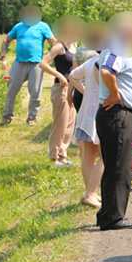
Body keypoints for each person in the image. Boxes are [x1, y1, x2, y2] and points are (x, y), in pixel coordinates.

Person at [96, 13, 132, 230]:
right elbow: (106, 71)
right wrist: (115, 93)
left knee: (115, 166)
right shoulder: (117, 49)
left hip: (116, 115)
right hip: (117, 114)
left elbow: (102, 68)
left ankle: (108, 214)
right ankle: (113, 217)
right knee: (120, 168)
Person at [0, 6, 57, 126]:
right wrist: (3, 52)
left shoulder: (43, 26)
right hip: (19, 63)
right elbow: (6, 39)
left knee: (35, 92)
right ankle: (6, 117)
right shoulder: (18, 26)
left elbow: (52, 40)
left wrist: (57, 51)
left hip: (36, 64)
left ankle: (32, 117)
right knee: (11, 89)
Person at [39, 15, 81, 166]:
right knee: (60, 123)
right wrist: (58, 75)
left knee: (70, 123)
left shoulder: (75, 46)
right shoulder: (59, 46)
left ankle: (63, 154)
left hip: (72, 88)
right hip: (61, 88)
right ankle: (54, 156)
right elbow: (43, 63)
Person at [68, 47, 103, 208]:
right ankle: (91, 193)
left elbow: (72, 76)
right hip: (100, 114)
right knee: (105, 156)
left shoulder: (90, 62)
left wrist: (85, 90)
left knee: (88, 157)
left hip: (85, 115)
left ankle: (90, 193)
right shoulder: (107, 62)